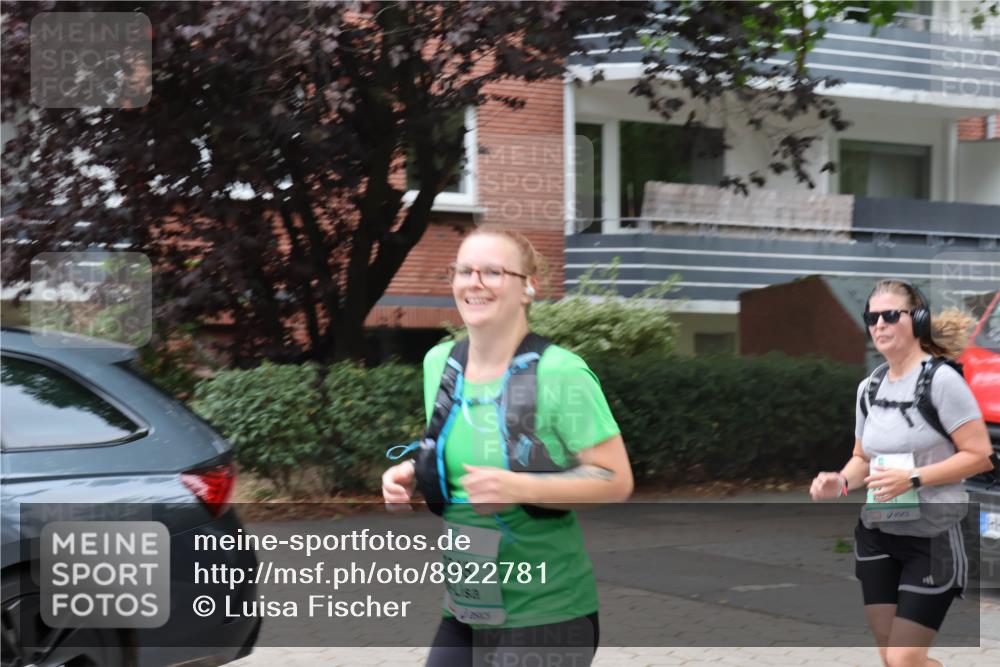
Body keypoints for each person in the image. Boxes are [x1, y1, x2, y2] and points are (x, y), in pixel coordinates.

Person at [381, 225, 633, 667]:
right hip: (468, 608)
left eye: (493, 272)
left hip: (549, 612)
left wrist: (521, 488)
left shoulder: (561, 373)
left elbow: (615, 480)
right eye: (464, 270)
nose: (474, 282)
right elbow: (457, 444)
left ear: (528, 287)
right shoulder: (441, 364)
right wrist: (415, 470)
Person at [810, 279, 993, 667]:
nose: (879, 324)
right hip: (879, 535)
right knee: (891, 656)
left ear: (918, 320)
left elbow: (979, 456)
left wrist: (914, 479)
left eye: (891, 315)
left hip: (934, 538)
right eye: (872, 317)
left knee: (905, 656)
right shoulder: (870, 387)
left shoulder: (942, 381)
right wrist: (840, 481)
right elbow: (862, 457)